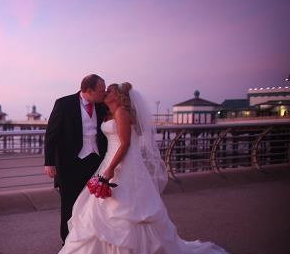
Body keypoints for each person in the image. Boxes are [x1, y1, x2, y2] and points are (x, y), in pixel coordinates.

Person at [59, 82, 229, 254]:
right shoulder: (108, 113)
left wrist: (111, 168)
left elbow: (125, 144)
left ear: (117, 96)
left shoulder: (122, 113)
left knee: (127, 208)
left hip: (123, 162)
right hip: (110, 159)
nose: (104, 92)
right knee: (104, 207)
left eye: (108, 91)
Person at [44, 74, 109, 243]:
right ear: (88, 90)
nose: (105, 93)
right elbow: (51, 135)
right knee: (69, 204)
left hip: (96, 162)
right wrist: (49, 162)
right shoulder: (64, 104)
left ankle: (88, 240)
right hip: (69, 164)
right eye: (102, 90)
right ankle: (67, 242)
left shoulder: (102, 106)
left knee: (92, 204)